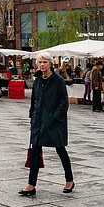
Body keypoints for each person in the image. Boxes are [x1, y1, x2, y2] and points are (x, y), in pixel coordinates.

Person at [19, 53, 74, 196]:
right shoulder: (37, 80)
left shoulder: (58, 80)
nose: (42, 65)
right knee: (35, 151)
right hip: (38, 120)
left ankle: (69, 180)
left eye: (45, 62)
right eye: (40, 62)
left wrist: (54, 117)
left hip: (54, 122)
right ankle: (31, 184)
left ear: (50, 64)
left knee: (60, 150)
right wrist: (32, 116)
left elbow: (63, 102)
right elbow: (34, 100)